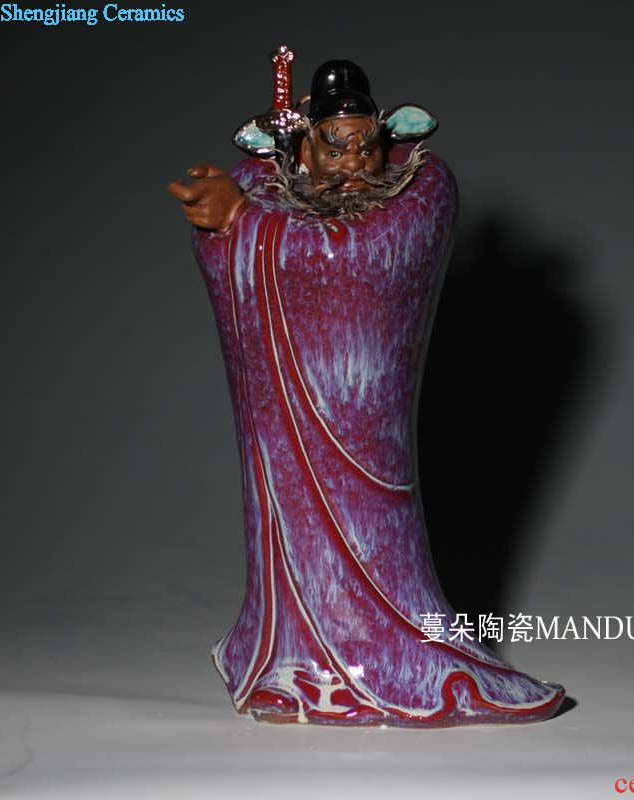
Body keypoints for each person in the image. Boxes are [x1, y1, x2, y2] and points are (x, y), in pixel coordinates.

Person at [168, 54, 565, 726]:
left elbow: (348, 256)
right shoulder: (264, 184)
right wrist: (222, 222)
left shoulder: (424, 191)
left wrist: (244, 222)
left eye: (365, 146)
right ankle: (289, 666)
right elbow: (231, 241)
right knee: (286, 523)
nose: (352, 163)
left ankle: (383, 661)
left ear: (389, 136)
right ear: (301, 149)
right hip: (281, 411)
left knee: (370, 533)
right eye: (333, 148)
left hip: (364, 415)